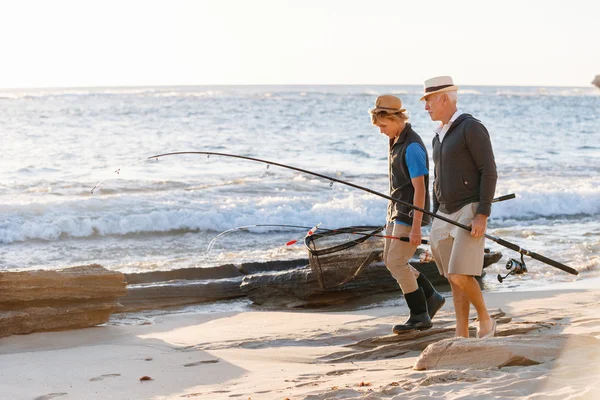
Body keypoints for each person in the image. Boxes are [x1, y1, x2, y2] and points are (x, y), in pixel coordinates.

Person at [421, 76, 498, 338]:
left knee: (458, 273)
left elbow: (489, 171)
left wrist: (482, 215)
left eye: (429, 100)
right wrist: (433, 217)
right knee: (453, 278)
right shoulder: (438, 136)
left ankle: (485, 318)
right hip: (443, 211)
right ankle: (461, 333)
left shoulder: (471, 128)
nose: (426, 107)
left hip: (469, 208)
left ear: (444, 98)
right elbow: (436, 179)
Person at [369, 95, 445, 334]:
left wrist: (415, 227)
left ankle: (420, 315)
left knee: (396, 262)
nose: (381, 131)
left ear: (395, 118)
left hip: (410, 213)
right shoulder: (396, 140)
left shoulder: (411, 146)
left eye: (383, 126)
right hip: (396, 211)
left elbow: (420, 188)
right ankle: (431, 297)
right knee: (392, 261)